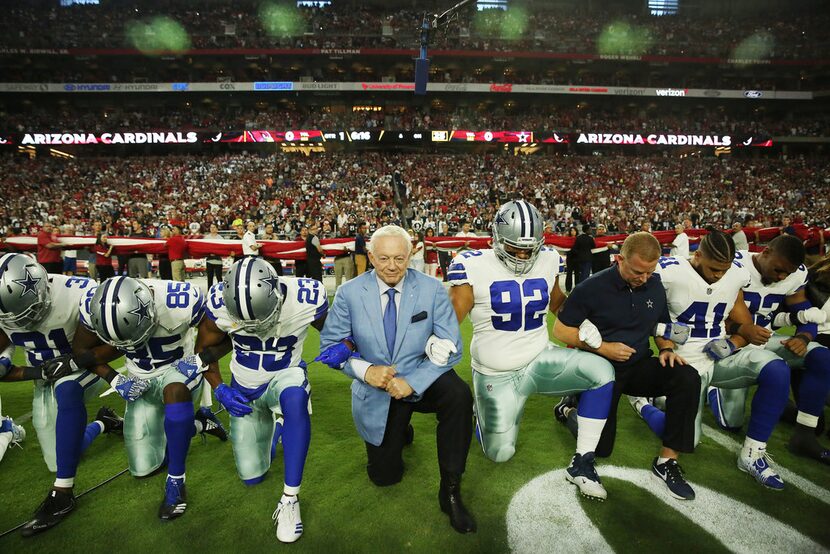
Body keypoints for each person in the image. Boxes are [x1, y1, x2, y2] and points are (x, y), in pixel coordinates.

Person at [449, 201, 615, 500]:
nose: (523, 256)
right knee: (500, 454)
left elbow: (557, 303)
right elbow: (450, 322)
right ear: (497, 239)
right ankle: (481, 413)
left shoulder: (549, 258)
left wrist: (582, 322)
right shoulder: (471, 265)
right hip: (495, 372)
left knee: (602, 372)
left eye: (530, 249)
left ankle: (583, 461)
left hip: (539, 359)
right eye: (515, 249)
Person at [318, 225, 475, 534]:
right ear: (371, 256)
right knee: (385, 476)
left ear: (411, 255)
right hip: (379, 388)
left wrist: (413, 381)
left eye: (400, 258)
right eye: (384, 258)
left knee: (459, 395)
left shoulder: (431, 289)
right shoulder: (350, 294)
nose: (392, 266)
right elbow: (328, 349)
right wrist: (366, 371)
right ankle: (401, 429)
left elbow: (452, 348)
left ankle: (451, 490)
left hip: (422, 378)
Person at [57, 276, 227, 527]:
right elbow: (82, 353)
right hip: (138, 377)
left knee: (175, 390)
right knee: (143, 468)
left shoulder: (181, 298)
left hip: (178, 368)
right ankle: (200, 424)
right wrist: (114, 378)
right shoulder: (93, 305)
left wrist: (204, 361)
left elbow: (221, 339)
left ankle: (177, 481)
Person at [179, 258, 327, 543]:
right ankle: (278, 426)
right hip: (243, 387)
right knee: (252, 476)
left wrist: (346, 348)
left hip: (285, 377)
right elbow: (202, 351)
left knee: (294, 396)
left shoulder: (304, 296)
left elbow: (337, 332)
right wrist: (219, 387)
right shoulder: (219, 302)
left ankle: (290, 499)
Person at [553, 232, 701, 500]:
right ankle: (569, 410)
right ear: (619, 259)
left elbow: (661, 326)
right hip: (600, 373)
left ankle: (666, 463)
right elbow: (560, 330)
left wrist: (666, 348)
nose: (643, 278)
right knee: (602, 448)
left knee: (687, 377)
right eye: (637, 271)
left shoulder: (654, 285)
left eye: (650, 271)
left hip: (638, 365)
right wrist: (602, 348)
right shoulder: (591, 287)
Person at [642, 230, 791, 490]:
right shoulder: (668, 271)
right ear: (697, 255)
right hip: (685, 366)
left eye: (724, 269)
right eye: (714, 268)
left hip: (719, 356)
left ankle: (753, 454)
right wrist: (664, 344)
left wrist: (735, 342)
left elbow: (743, 324)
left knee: (776, 370)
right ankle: (642, 405)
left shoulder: (735, 275)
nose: (719, 275)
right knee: (688, 439)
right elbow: (649, 318)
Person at [0, 254, 125, 535]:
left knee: (68, 391)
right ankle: (105, 422)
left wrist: (70, 363)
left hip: (84, 365)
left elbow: (117, 344)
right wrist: (33, 371)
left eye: (25, 309)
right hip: (44, 373)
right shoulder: (5, 309)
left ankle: (63, 493)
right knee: (60, 456)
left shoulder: (79, 292)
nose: (23, 320)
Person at [707, 235, 830, 464]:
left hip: (763, 340)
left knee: (821, 355)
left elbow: (804, 310)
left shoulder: (795, 275)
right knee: (731, 423)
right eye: (778, 270)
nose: (781, 277)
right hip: (728, 344)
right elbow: (708, 314)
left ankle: (805, 435)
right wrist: (743, 329)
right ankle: (712, 390)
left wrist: (803, 337)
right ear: (765, 252)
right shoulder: (734, 267)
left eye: (787, 273)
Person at [333, 224, 354, 289]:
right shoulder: (336, 239)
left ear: (347, 230)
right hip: (338, 259)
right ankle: (337, 292)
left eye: (345, 229)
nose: (343, 230)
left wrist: (348, 250)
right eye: (342, 228)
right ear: (340, 229)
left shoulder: (350, 238)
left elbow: (353, 249)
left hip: (347, 258)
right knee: (338, 277)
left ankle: (349, 291)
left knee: (349, 277)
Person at [204, 223, 224, 288]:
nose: (212, 229)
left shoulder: (220, 238)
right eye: (211, 227)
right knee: (209, 278)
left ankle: (221, 292)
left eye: (214, 227)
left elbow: (222, 249)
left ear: (217, 229)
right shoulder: (206, 238)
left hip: (218, 261)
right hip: (209, 260)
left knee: (219, 278)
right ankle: (209, 292)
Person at [565, 227, 578, 292]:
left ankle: (577, 288)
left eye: (574, 231)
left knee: (577, 274)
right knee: (569, 274)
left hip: (577, 258)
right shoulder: (567, 239)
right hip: (570, 259)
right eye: (571, 231)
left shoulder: (578, 239)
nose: (573, 232)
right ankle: (568, 289)